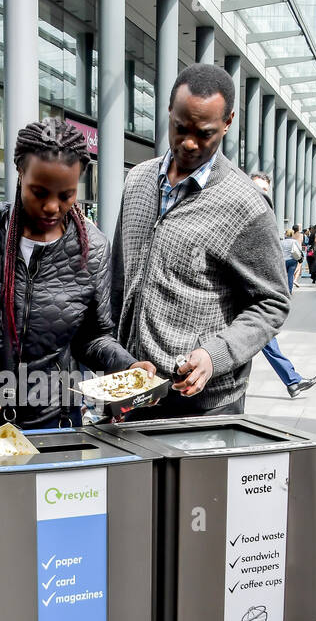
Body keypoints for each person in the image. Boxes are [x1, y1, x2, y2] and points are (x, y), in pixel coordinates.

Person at [0, 117, 151, 434]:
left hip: (55, 421)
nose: (52, 206)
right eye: (39, 192)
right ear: (20, 172)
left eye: (66, 195)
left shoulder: (94, 249)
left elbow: (93, 337)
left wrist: (128, 366)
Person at [112, 63, 290, 419]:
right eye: (180, 128)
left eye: (205, 133)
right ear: (168, 112)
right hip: (133, 393)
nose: (189, 142)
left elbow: (272, 303)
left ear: (228, 123)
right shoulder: (137, 181)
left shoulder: (247, 204)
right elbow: (117, 281)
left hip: (207, 405)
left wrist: (214, 355)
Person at [249, 172, 316, 400]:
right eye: (256, 188)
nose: (261, 194)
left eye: (265, 190)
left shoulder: (264, 219)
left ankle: (293, 381)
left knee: (266, 339)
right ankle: (292, 381)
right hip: (236, 295)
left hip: (252, 296)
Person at [281, 227, 303, 291]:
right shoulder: (294, 242)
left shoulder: (282, 242)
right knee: (290, 275)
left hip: (283, 261)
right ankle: (290, 290)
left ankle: (283, 289)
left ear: (286, 234)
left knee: (284, 276)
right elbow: (300, 249)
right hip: (292, 260)